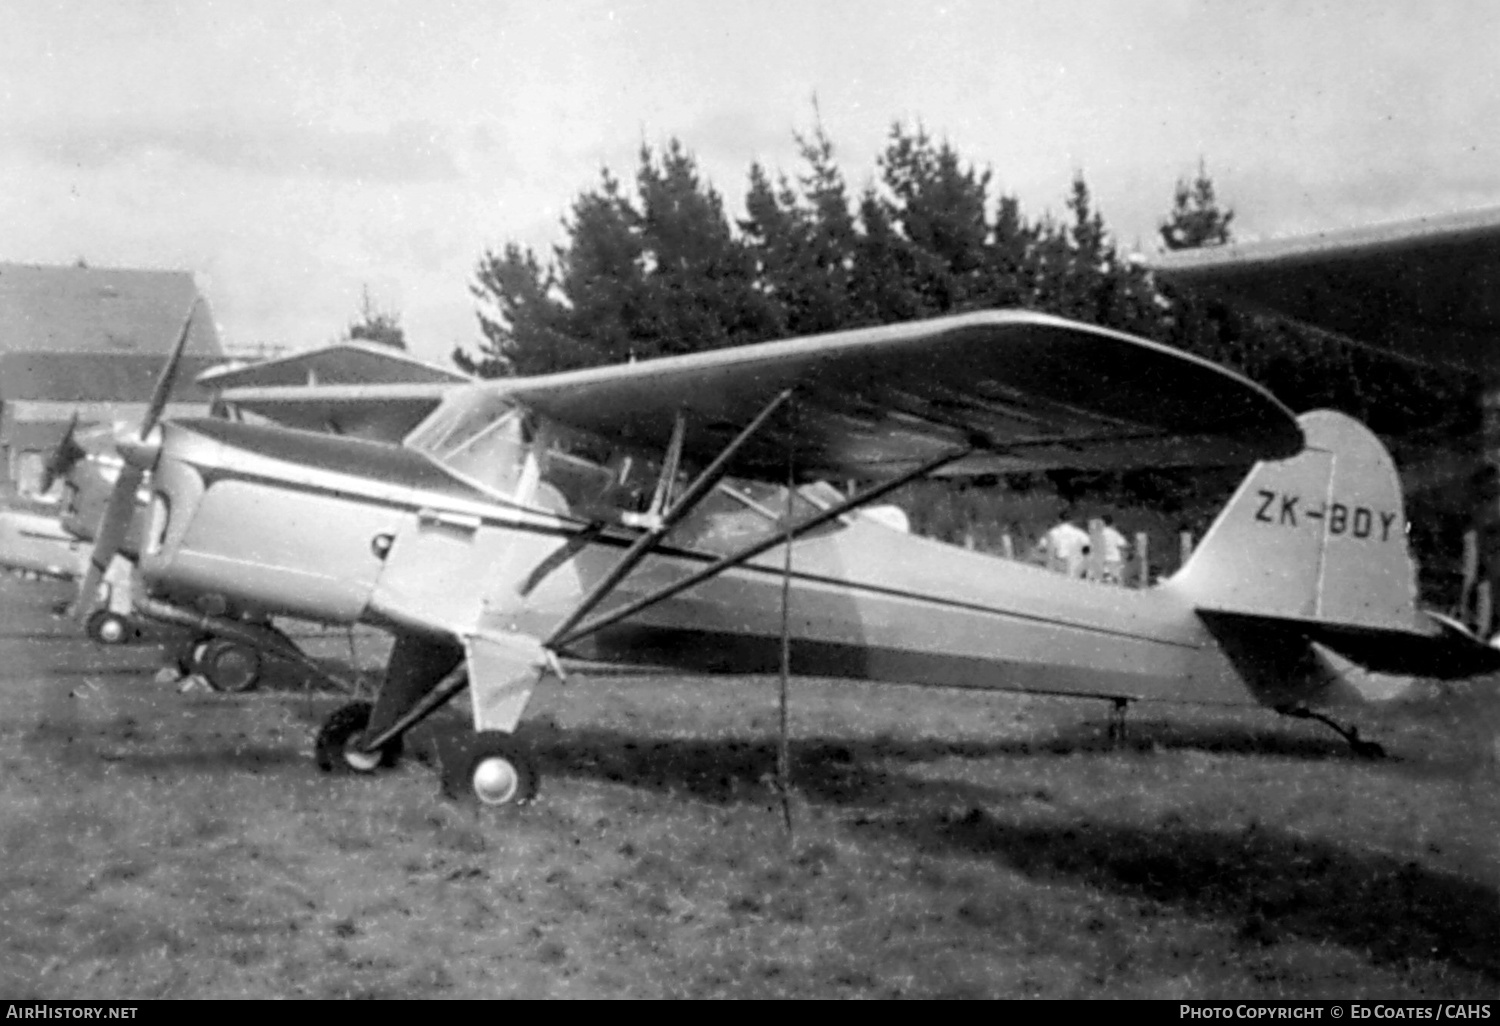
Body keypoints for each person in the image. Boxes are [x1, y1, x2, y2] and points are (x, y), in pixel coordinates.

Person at [1098, 515, 1130, 584]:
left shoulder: (1098, 533)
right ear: (1111, 523)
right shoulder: (1115, 533)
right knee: (1115, 580)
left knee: (1105, 579)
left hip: (1103, 560)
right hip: (1115, 559)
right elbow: (1124, 545)